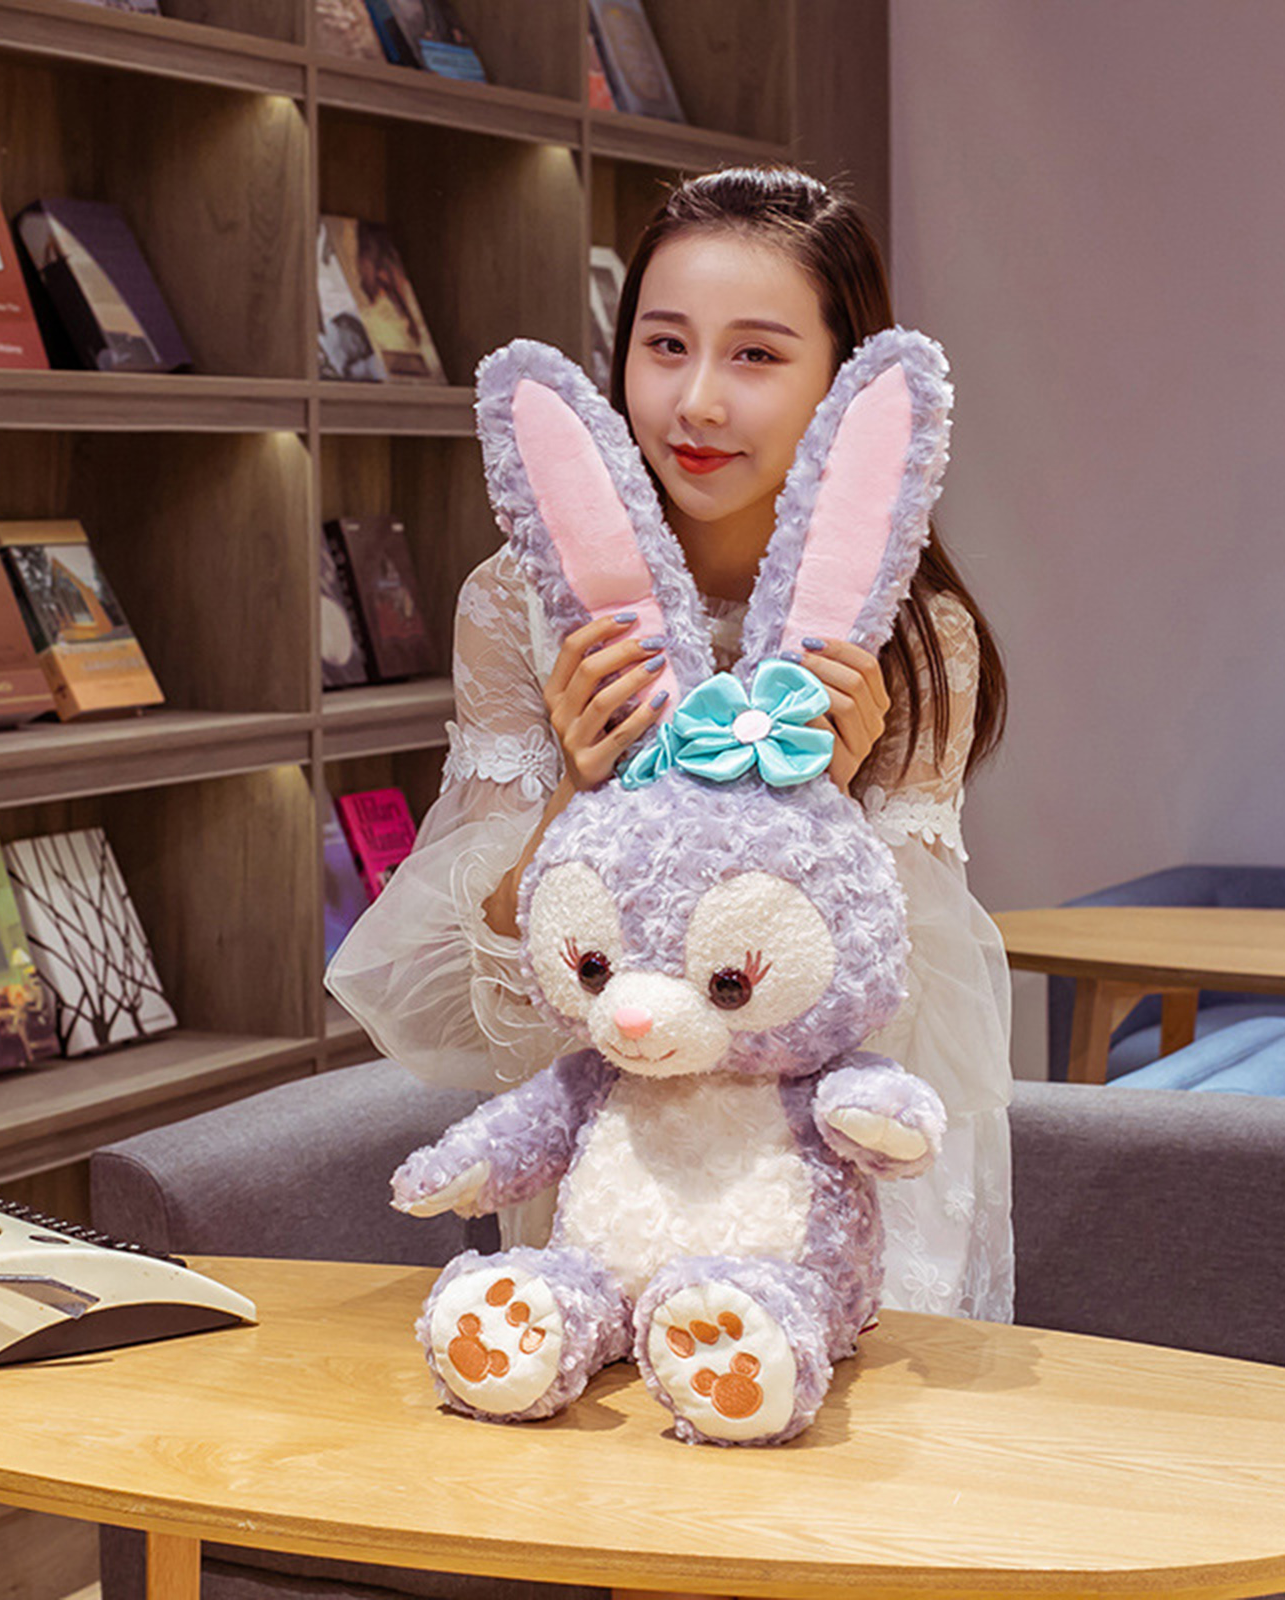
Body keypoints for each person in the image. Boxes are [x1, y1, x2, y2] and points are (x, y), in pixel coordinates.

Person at [327, 165, 1014, 1326]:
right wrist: (576, 795)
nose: (695, 402)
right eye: (664, 345)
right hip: (609, 1186)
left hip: (834, 1208)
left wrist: (824, 806)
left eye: (754, 355)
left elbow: (911, 1028)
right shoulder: (523, 605)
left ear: (842, 384)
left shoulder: (908, 639)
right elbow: (477, 1020)